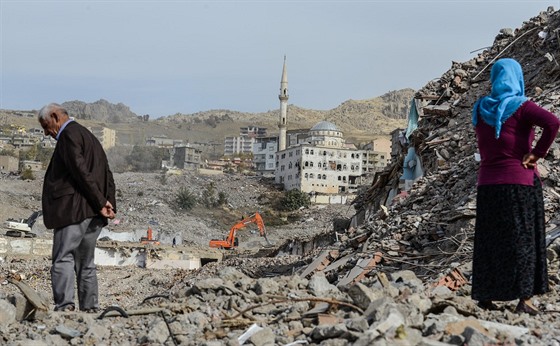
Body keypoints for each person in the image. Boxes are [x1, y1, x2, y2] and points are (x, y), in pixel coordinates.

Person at [471, 58, 560, 315]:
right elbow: (553, 123)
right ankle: (524, 299)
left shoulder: (480, 108)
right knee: (522, 239)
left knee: (490, 240)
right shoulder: (521, 107)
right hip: (519, 183)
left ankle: (486, 295)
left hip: (487, 184)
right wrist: (537, 153)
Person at [38, 103, 116, 312]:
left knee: (63, 257)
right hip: (93, 213)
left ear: (55, 116)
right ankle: (90, 308)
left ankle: (65, 306)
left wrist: (101, 202)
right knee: (86, 262)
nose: (46, 133)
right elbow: (107, 174)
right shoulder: (89, 137)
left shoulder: (68, 135)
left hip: (73, 211)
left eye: (46, 126)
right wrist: (107, 203)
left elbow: (80, 171)